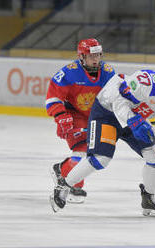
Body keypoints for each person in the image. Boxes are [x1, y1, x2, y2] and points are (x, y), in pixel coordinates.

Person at [49, 62, 155, 218]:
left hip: (134, 120)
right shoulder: (146, 82)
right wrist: (132, 120)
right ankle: (64, 184)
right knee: (100, 158)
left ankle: (149, 198)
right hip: (107, 112)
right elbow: (118, 101)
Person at [46, 38, 115, 203]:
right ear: (81, 57)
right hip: (74, 114)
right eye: (92, 56)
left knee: (94, 155)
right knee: (81, 153)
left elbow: (116, 96)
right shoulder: (69, 72)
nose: (96, 59)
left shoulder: (108, 71)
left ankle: (62, 171)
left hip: (97, 115)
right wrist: (61, 116)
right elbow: (53, 96)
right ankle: (71, 182)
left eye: (98, 55)